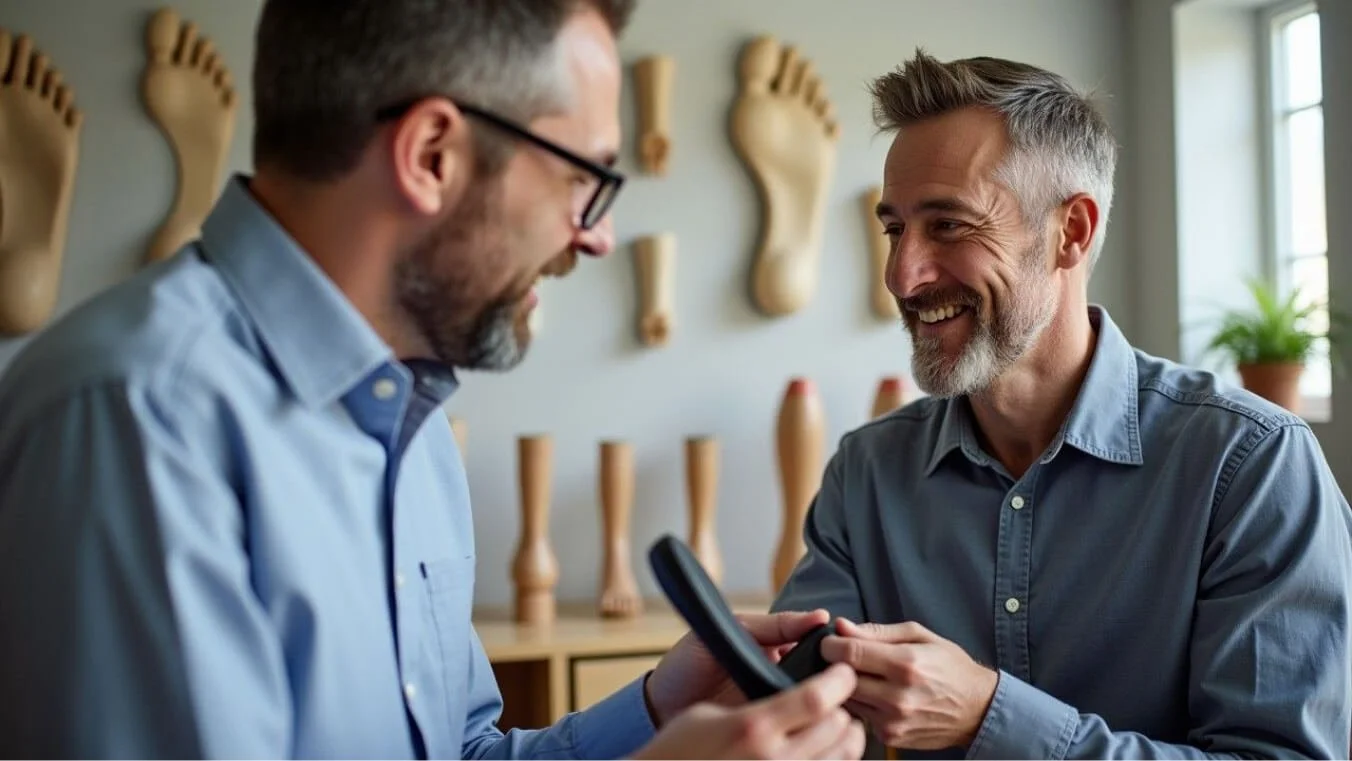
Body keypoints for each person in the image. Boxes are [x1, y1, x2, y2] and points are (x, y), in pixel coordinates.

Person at [0, 1, 868, 759]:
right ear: (432, 154)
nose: (595, 237)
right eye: (583, 179)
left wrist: (655, 711)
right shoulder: (135, 417)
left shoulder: (408, 423)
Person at [771, 49, 1352, 759]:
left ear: (1070, 231)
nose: (902, 273)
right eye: (895, 228)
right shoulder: (866, 472)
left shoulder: (1253, 466)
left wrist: (991, 717)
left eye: (948, 225)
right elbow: (795, 714)